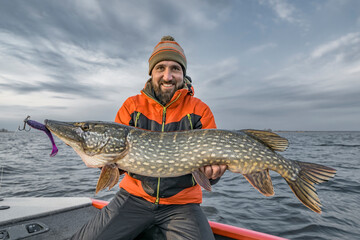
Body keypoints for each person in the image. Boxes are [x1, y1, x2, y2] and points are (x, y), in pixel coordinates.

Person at [71, 36, 227, 240]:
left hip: (182, 205)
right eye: (160, 68)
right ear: (152, 72)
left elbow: (209, 175)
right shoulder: (131, 106)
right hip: (133, 199)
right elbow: (115, 165)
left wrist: (214, 173)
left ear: (183, 74)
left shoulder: (199, 110)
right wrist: (102, 161)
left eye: (175, 69)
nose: (168, 76)